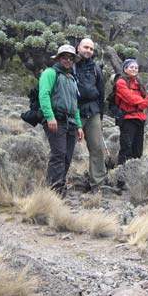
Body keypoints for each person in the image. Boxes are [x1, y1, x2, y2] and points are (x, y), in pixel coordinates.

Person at [39, 44, 84, 196]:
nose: (68, 60)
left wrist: (79, 125)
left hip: (70, 122)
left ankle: (60, 187)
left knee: (66, 157)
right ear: (58, 58)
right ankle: (54, 191)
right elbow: (44, 95)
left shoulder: (72, 78)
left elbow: (75, 104)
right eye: (64, 57)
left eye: (71, 58)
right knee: (58, 155)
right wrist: (50, 117)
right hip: (56, 120)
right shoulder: (50, 73)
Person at [75, 38, 106, 192]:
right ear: (78, 47)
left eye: (91, 49)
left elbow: (101, 92)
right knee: (66, 147)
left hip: (93, 111)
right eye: (85, 47)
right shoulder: (70, 65)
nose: (88, 51)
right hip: (73, 111)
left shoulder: (96, 69)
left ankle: (97, 183)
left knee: (97, 147)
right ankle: (59, 181)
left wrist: (100, 113)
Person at [115, 59, 148, 164]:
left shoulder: (139, 83)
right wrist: (141, 102)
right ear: (125, 69)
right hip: (127, 119)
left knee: (138, 150)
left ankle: (135, 175)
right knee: (126, 148)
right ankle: (121, 177)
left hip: (140, 119)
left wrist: (141, 103)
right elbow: (129, 98)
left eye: (136, 67)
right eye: (131, 67)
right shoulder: (121, 82)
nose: (134, 69)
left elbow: (147, 101)